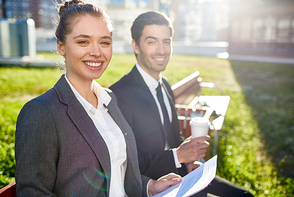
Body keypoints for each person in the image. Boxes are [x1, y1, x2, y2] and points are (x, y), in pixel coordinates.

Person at [14, 2, 182, 196]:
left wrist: (149, 186)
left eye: (104, 42)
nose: (96, 52)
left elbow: (119, 172)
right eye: (83, 42)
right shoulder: (41, 113)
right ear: (61, 46)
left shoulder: (109, 99)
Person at [110, 11, 254, 197]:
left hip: (182, 175)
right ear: (135, 46)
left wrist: (189, 161)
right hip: (154, 187)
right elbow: (128, 165)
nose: (162, 50)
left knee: (245, 195)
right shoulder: (120, 96)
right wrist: (178, 156)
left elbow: (173, 136)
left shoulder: (165, 84)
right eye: (152, 42)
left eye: (167, 41)